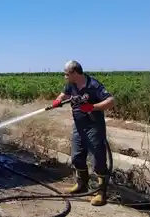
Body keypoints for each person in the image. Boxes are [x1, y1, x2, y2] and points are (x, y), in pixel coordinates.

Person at [52, 60, 115, 206]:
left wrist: (92, 107)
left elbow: (111, 101)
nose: (65, 77)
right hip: (78, 126)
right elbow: (64, 95)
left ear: (75, 73)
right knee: (77, 156)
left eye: (66, 74)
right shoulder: (71, 85)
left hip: (93, 127)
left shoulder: (93, 85)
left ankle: (101, 193)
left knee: (98, 159)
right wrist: (58, 100)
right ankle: (81, 185)